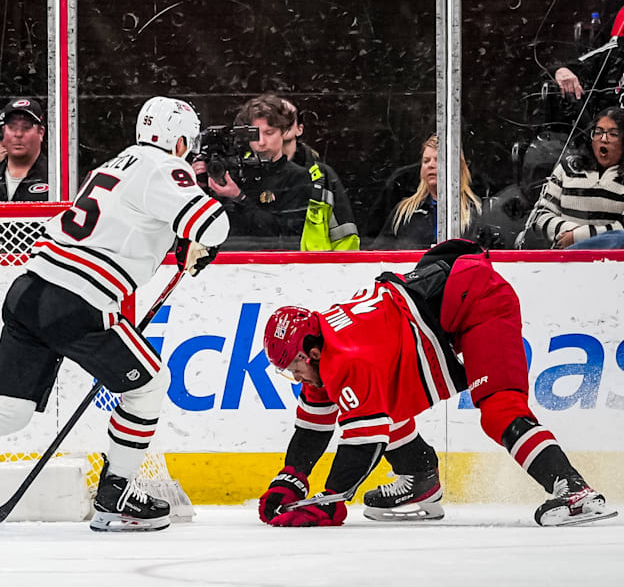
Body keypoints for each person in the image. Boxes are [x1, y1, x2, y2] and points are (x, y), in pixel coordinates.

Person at [0, 97, 230, 534]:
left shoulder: (114, 165)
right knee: (148, 385)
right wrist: (204, 226)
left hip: (31, 289)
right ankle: (115, 496)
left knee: (7, 409)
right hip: (77, 300)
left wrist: (182, 238)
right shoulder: (166, 166)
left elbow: (129, 224)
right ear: (181, 140)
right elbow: (214, 226)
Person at [257, 239, 615, 528]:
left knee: (499, 410)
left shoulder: (348, 358)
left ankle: (574, 491)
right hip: (439, 306)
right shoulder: (319, 348)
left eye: (294, 367)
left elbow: (364, 441)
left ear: (312, 353)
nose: (296, 377)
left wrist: (330, 501)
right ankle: (420, 478)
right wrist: (291, 478)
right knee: (382, 404)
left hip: (481, 299)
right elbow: (313, 426)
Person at [194, 93, 312, 249]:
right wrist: (198, 186)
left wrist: (239, 198)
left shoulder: (297, 176)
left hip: (272, 264)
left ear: (283, 132)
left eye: (269, 133)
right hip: (223, 262)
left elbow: (284, 235)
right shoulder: (232, 170)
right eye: (254, 135)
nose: (261, 142)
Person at [526, 107, 624, 249]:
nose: (604, 139)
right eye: (598, 132)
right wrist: (569, 232)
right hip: (564, 262)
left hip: (611, 266)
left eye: (613, 134)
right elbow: (539, 215)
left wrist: (579, 237)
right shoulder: (567, 168)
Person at [275, 96, 359, 251]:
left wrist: (341, 273)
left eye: (286, 117)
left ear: (299, 129)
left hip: (313, 273)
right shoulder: (244, 174)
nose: (279, 123)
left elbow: (345, 239)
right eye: (272, 118)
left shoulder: (323, 177)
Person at [378, 135, 483, 249]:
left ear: (456, 167)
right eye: (426, 161)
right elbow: (380, 253)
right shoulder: (404, 212)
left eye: (438, 160)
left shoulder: (476, 211)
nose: (430, 165)